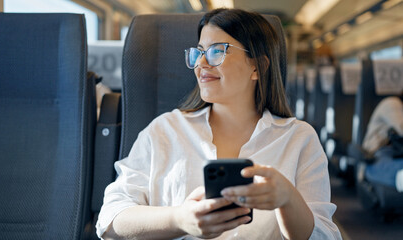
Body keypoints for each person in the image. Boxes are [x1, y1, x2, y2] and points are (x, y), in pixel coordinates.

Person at [96, 8, 341, 240]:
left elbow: (325, 235)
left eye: (216, 51)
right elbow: (110, 219)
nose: (201, 64)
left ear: (258, 66)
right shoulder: (164, 131)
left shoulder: (299, 138)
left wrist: (288, 200)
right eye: (198, 52)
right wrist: (179, 219)